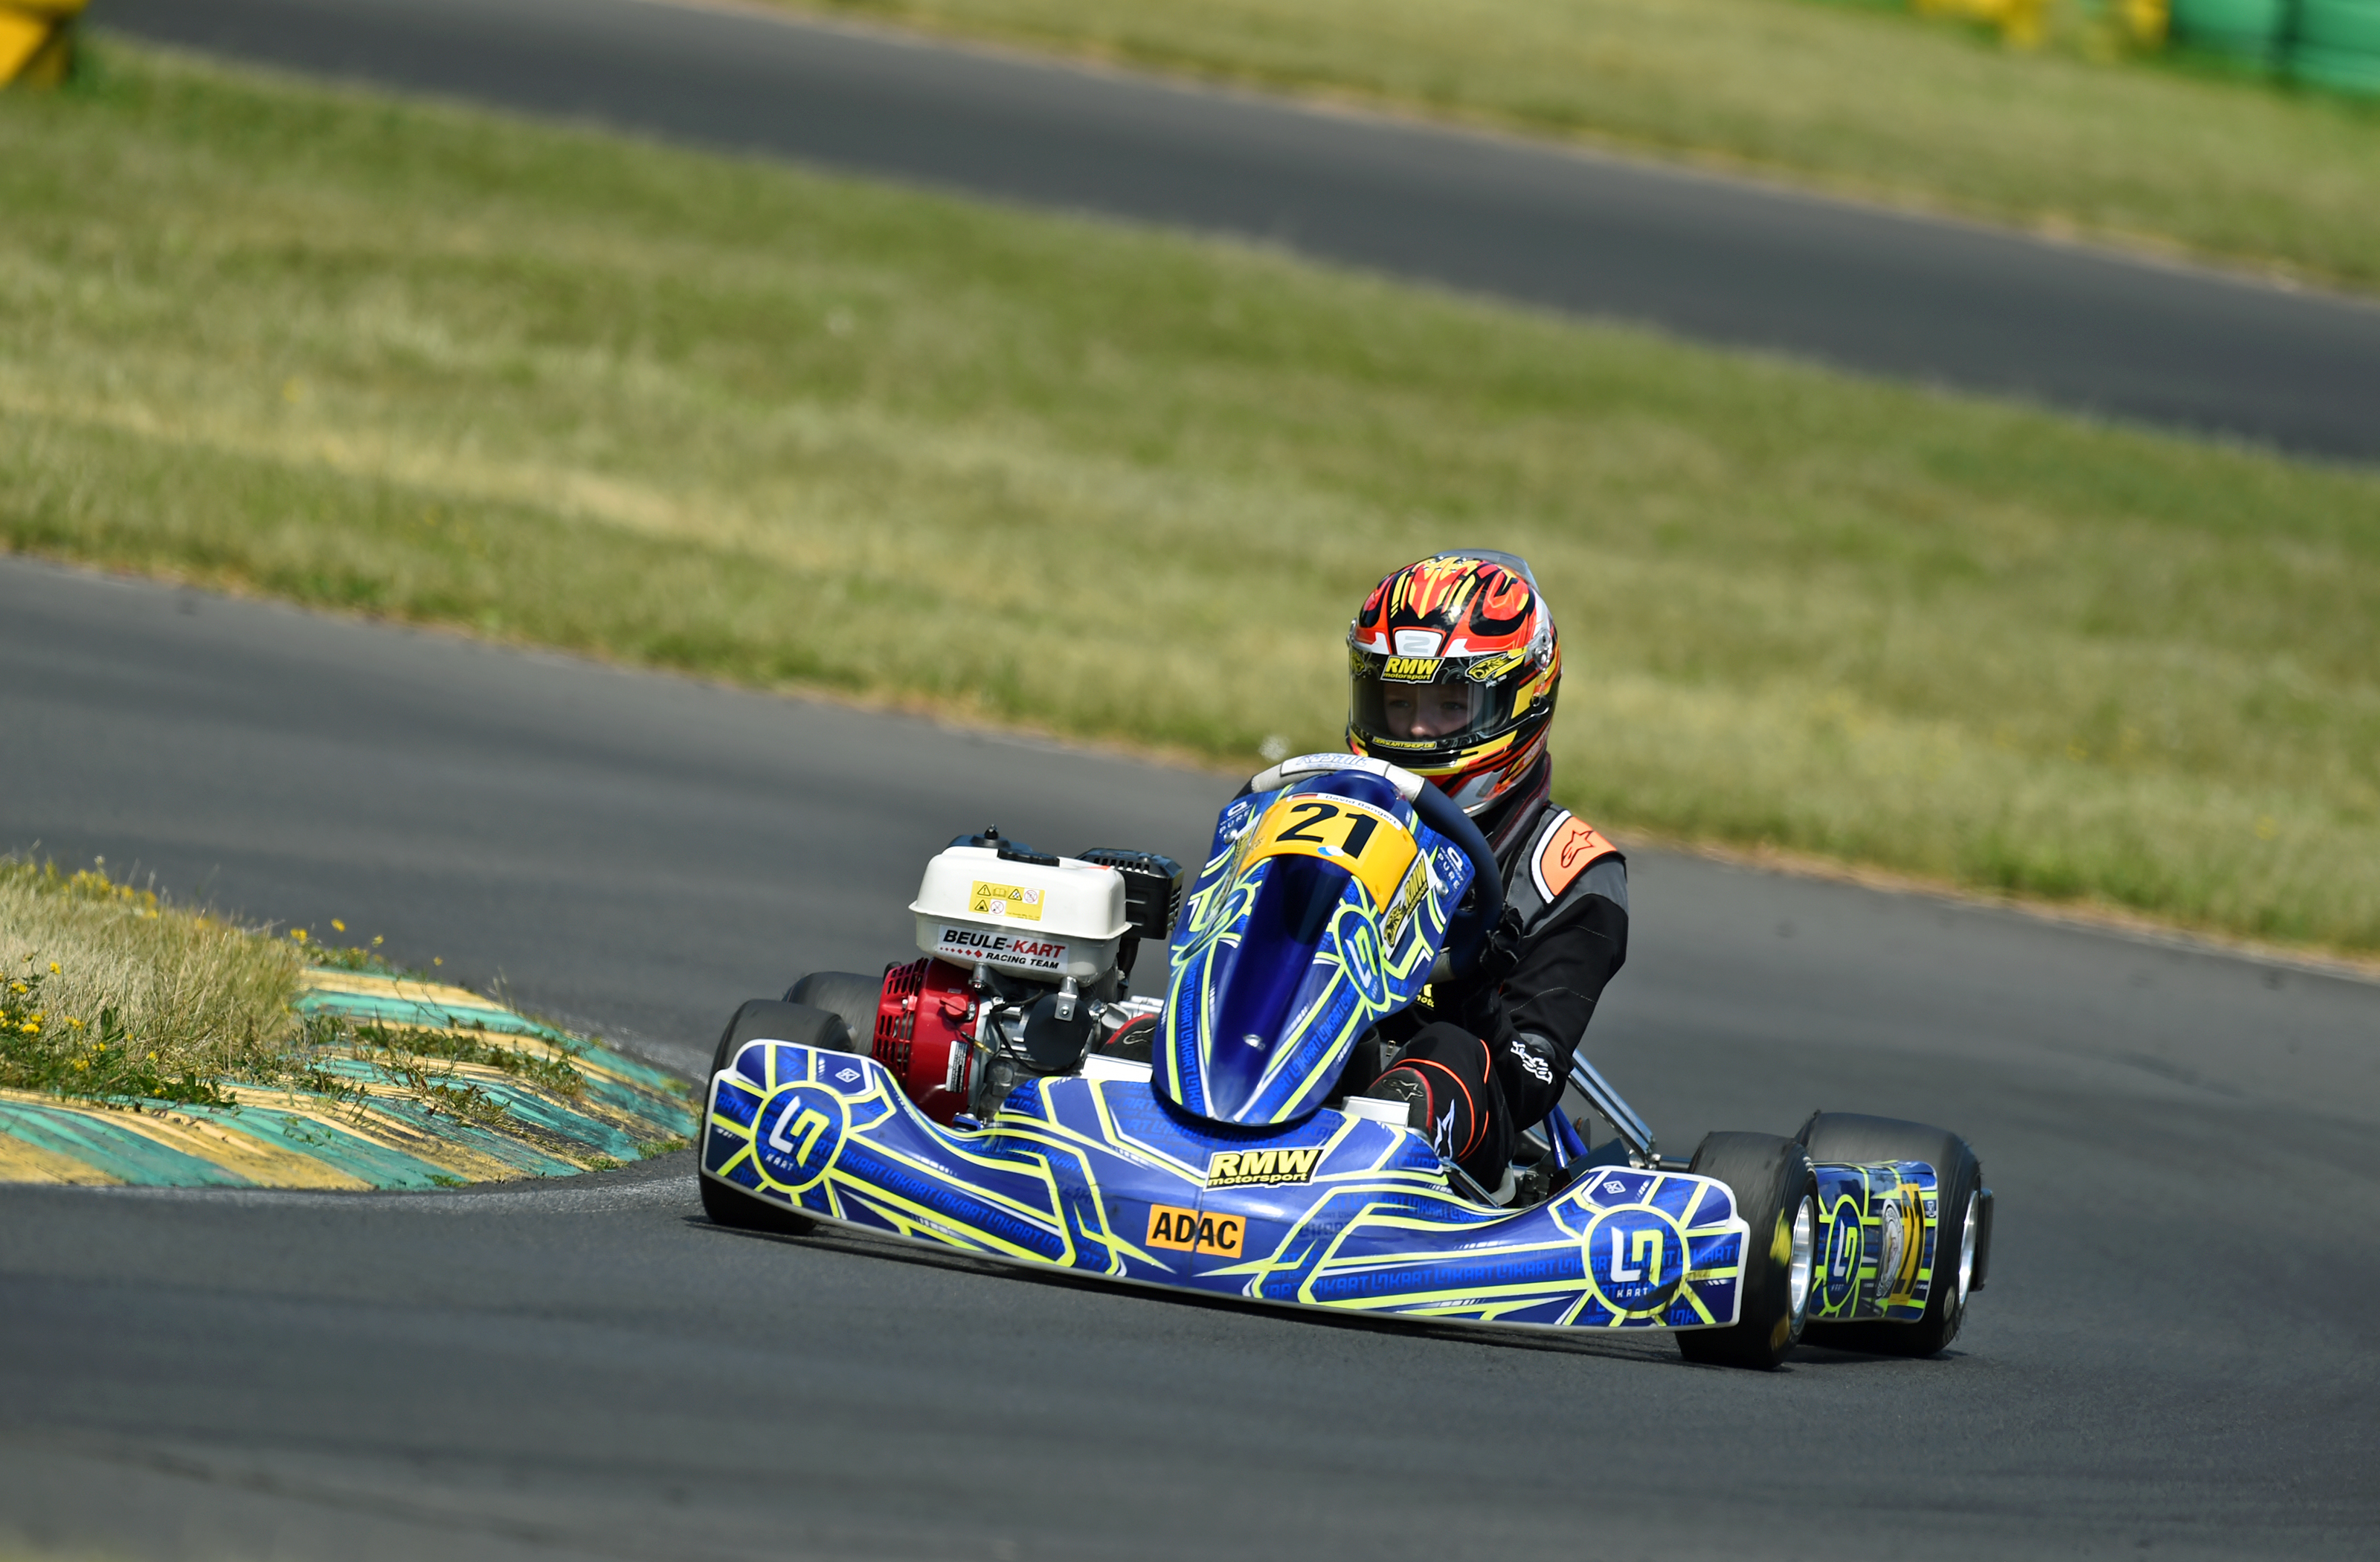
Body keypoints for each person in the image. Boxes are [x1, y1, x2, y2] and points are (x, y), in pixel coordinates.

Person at [1342, 551, 1630, 1195]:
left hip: (1466, 1133)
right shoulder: (1325, 816)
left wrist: (1473, 989)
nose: (1417, 729)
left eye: (1449, 705)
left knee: (1444, 1053)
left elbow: (1528, 1085)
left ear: (1522, 702)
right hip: (1311, 1058)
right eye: (1397, 702)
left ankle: (1374, 1149)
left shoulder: (1570, 870)